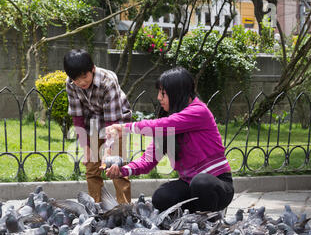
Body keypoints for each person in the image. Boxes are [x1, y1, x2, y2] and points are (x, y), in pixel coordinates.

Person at [105, 67, 234, 212]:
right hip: (189, 184)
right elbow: (147, 161)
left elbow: (164, 125)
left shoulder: (198, 111)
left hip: (217, 185)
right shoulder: (168, 121)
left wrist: (126, 128)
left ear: (177, 93)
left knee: (201, 182)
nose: (159, 97)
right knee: (161, 197)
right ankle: (192, 215)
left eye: (163, 93)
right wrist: (123, 171)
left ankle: (209, 216)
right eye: (159, 92)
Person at [63, 49, 132, 204]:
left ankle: (125, 209)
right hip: (93, 123)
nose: (81, 82)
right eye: (76, 79)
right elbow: (77, 116)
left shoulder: (108, 81)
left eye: (84, 76)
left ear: (92, 69)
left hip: (116, 121)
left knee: (116, 167)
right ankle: (97, 208)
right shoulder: (70, 84)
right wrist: (85, 147)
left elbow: (112, 122)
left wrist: (108, 150)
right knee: (92, 170)